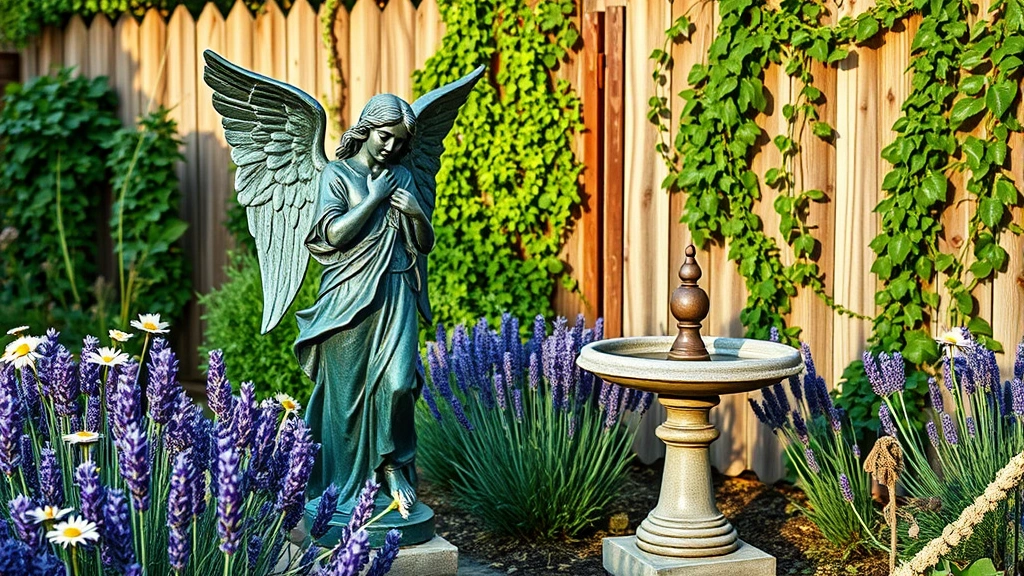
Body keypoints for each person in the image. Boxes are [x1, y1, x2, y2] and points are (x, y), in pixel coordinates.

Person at [294, 94, 435, 514]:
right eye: (384, 136)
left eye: (399, 142)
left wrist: (415, 213)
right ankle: (345, 487)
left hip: (395, 290)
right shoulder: (337, 175)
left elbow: (424, 244)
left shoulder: (403, 178)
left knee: (397, 384)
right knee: (348, 399)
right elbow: (333, 234)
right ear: (366, 128)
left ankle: (391, 465)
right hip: (347, 298)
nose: (391, 147)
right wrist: (373, 199)